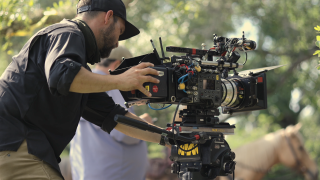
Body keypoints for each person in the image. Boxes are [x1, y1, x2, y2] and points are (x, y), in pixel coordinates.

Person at [0, 0, 166, 179]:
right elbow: (62, 76)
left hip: (19, 147)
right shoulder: (68, 33)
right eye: (121, 31)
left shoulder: (81, 75)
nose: (118, 43)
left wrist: (168, 138)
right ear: (108, 17)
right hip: (16, 143)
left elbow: (113, 116)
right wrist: (120, 80)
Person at [70, 46, 150, 180]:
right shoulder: (111, 86)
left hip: (90, 171)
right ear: (117, 65)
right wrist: (146, 123)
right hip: (113, 173)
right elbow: (125, 133)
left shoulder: (85, 83)